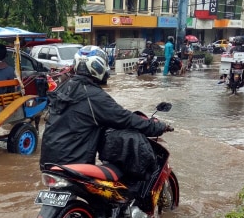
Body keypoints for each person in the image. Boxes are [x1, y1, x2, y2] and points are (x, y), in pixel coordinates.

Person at [39, 45, 172, 168]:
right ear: (98, 67)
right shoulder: (94, 96)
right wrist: (157, 127)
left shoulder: (63, 87)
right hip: (73, 164)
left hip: (47, 162)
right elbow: (125, 118)